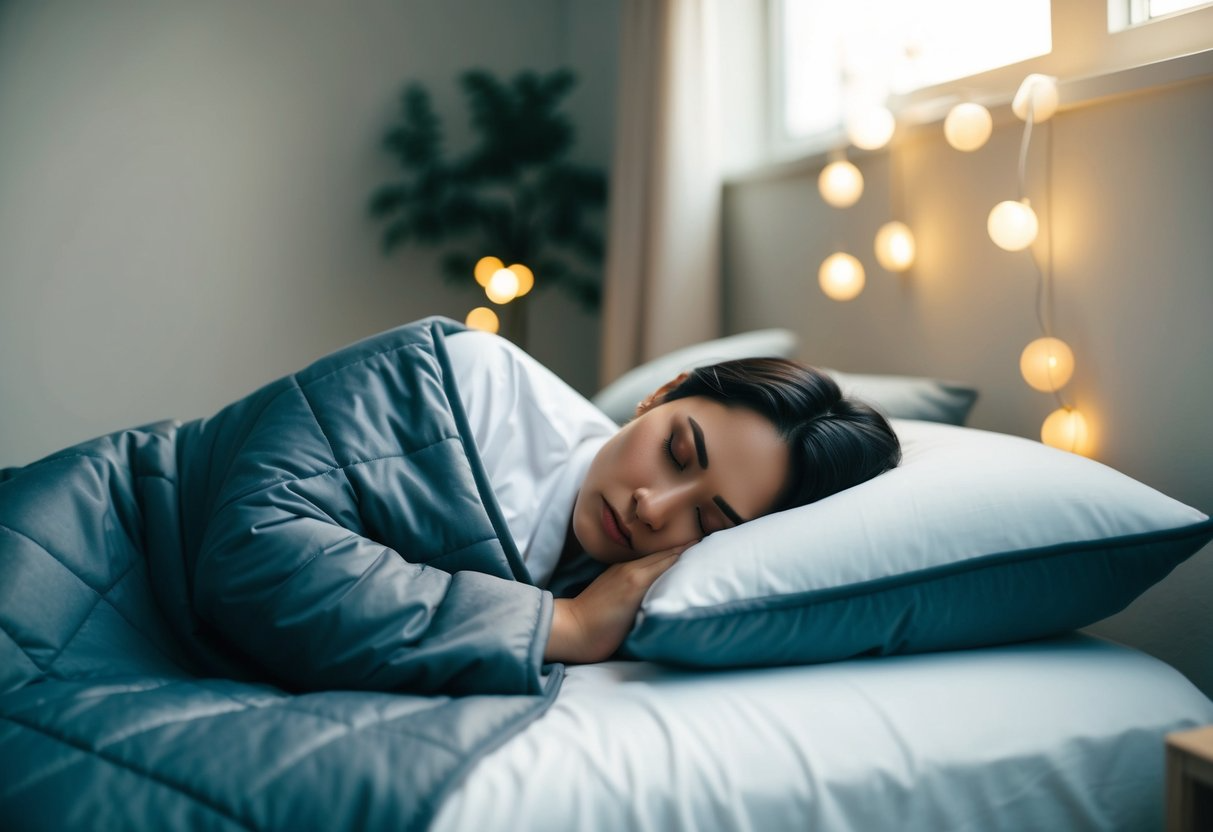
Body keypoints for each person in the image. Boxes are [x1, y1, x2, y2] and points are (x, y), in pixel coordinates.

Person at [445, 329, 901, 669]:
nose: (652, 507)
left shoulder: (638, 597)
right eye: (675, 452)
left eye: (707, 523)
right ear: (660, 394)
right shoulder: (474, 383)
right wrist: (566, 625)